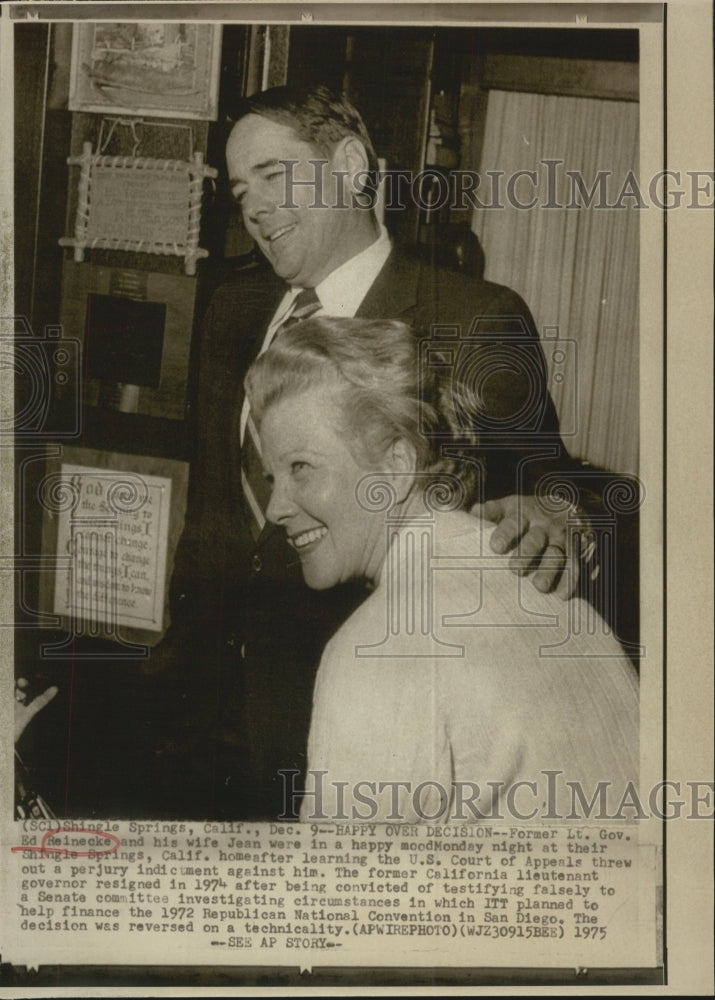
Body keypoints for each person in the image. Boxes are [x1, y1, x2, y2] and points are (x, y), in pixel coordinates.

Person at [145, 84, 604, 820]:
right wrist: (175, 675)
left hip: (383, 714)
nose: (255, 207)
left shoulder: (473, 316)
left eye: (273, 174)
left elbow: (548, 483)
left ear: (352, 164)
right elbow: (212, 515)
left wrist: (554, 509)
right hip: (209, 721)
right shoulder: (228, 306)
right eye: (239, 190)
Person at [244, 317, 639, 823]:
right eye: (273, 477)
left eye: (301, 468)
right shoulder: (538, 578)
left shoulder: (380, 646)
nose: (275, 508)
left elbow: (338, 893)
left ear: (397, 465)